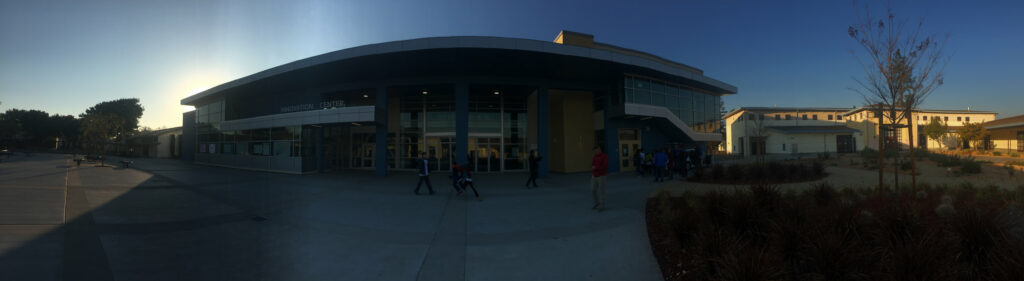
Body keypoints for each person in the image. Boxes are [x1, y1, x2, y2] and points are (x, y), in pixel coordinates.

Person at [591, 146, 609, 212]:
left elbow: (605, 166)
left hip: (601, 176)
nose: (595, 152)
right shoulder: (595, 156)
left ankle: (602, 205)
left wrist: (596, 168)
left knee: (601, 191)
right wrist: (593, 168)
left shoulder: (605, 156)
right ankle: (597, 202)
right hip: (594, 175)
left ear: (599, 149)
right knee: (593, 190)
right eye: (594, 151)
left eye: (596, 150)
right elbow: (593, 163)